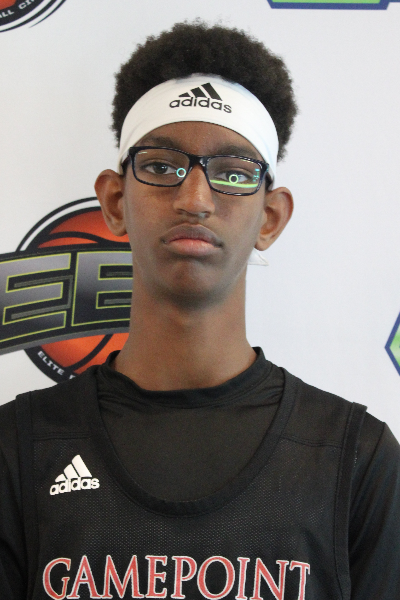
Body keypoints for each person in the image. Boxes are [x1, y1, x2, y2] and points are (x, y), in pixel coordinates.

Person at [0, 21, 399, 600]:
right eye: (162, 167)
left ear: (270, 218)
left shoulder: (355, 459)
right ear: (115, 200)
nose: (194, 199)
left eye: (233, 173)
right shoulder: (19, 449)